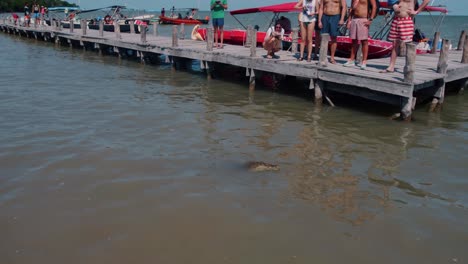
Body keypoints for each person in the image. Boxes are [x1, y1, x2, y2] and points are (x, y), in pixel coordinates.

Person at [380, 0, 430, 73]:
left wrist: (417, 11)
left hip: (407, 20)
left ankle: (410, 67)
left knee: (409, 45)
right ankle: (391, 67)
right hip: (396, 20)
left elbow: (427, 0)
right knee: (394, 44)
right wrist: (394, 6)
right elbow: (390, 3)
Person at [343, 0, 377, 70]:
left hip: (363, 19)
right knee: (354, 41)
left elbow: (374, 6)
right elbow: (352, 9)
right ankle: (351, 60)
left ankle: (364, 61)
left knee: (364, 41)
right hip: (354, 19)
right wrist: (349, 20)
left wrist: (370, 19)